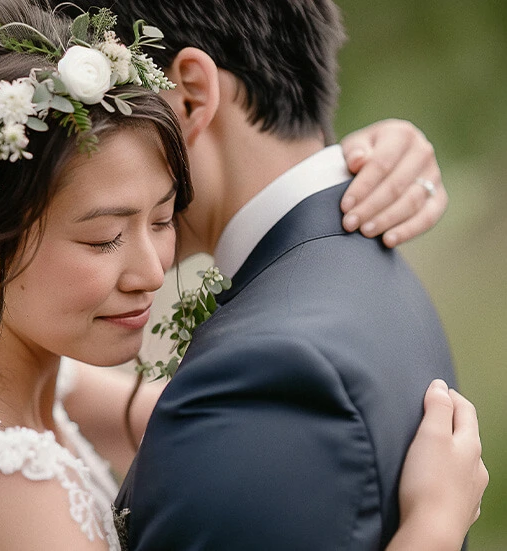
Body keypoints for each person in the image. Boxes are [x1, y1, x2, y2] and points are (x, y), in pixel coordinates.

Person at [0, 2, 487, 550]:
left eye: (162, 213)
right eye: (102, 236)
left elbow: (196, 427)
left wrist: (340, 173)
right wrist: (432, 524)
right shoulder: (5, 485)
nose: (151, 272)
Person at [29, 0, 487, 548]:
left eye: (88, 115)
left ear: (193, 95)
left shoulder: (272, 373)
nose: (59, 155)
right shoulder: (364, 273)